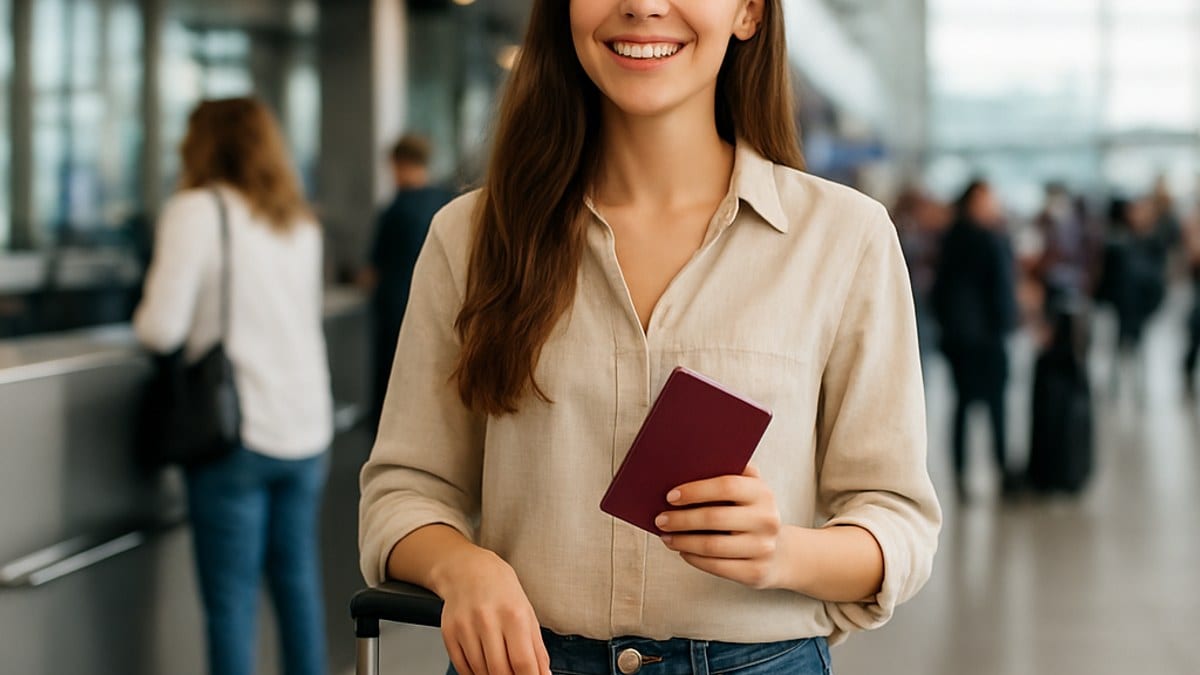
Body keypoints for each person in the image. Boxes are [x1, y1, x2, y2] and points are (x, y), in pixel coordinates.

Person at [359, 2, 941, 674]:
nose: (642, 5)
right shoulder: (472, 237)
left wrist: (783, 550)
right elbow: (404, 488)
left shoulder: (844, 238)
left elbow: (897, 518)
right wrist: (463, 567)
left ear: (749, 12)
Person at [134, 98, 331, 675]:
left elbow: (159, 327)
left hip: (235, 432)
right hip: (306, 427)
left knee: (230, 601)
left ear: (201, 144)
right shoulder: (298, 219)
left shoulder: (196, 210)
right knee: (297, 584)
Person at [931, 180, 1020, 501]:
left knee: (963, 407)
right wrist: (1009, 325)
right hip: (986, 339)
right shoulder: (989, 239)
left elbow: (939, 291)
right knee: (994, 407)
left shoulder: (951, 238)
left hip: (959, 338)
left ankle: (960, 475)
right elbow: (1002, 292)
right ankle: (1001, 471)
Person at [359, 135, 456, 418]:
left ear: (397, 164)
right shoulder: (447, 202)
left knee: (394, 384)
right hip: (443, 306)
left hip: (396, 308)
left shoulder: (395, 210)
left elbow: (373, 271)